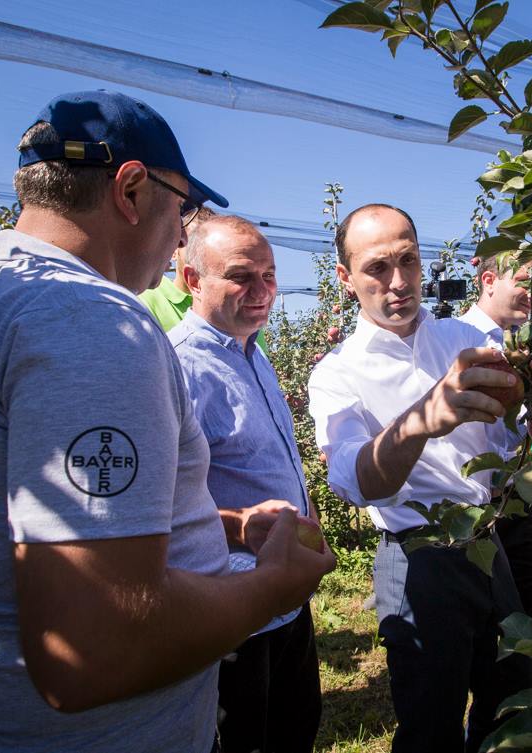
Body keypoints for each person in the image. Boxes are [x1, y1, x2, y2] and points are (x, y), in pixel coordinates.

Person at [0, 90, 335, 753]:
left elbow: (26, 517)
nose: (182, 234)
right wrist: (273, 586)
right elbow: (92, 648)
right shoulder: (88, 322)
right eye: (180, 209)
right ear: (130, 190)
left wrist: (229, 526)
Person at [308, 204, 532, 753]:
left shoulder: (467, 341)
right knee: (430, 719)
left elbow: (511, 439)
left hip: (489, 542)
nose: (399, 280)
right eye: (377, 267)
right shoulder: (337, 373)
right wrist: (420, 420)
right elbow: (356, 482)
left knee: (513, 700)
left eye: (408, 260)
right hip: (418, 556)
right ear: (345, 277)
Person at [170, 215, 322, 753]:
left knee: (295, 729)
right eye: (240, 276)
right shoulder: (181, 368)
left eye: (269, 275)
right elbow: (164, 504)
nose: (262, 291)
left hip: (283, 599)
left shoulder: (253, 354)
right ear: (192, 280)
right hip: (232, 609)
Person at [458, 254, 532, 693]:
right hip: (476, 508)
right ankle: (506, 711)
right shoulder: (458, 343)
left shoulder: (525, 345)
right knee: (495, 629)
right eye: (524, 282)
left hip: (518, 500)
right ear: (489, 280)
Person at [140, 207, 270, 351]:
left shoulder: (242, 308)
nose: (202, 253)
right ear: (174, 250)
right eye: (193, 243)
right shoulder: (145, 302)